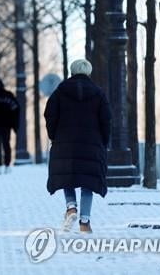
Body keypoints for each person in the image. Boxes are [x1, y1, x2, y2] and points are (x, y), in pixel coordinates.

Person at [44, 59, 111, 233]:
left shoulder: (59, 92)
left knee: (68, 175)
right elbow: (106, 120)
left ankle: (71, 207)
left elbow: (49, 115)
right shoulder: (98, 93)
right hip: (91, 143)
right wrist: (103, 141)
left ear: (72, 72)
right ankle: (85, 221)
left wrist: (54, 135)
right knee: (88, 181)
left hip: (64, 142)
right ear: (89, 72)